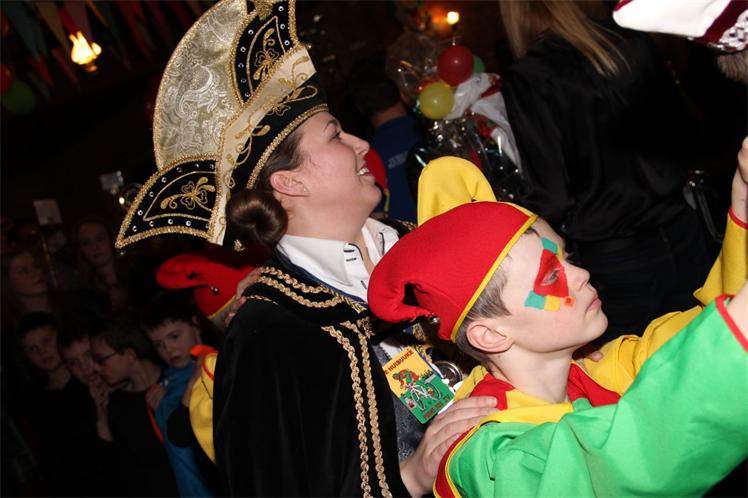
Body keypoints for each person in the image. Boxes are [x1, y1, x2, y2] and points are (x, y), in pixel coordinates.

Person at [114, 0, 496, 495]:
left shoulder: (425, 243)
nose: (361, 145)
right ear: (290, 182)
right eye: (336, 135)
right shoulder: (268, 334)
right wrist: (410, 477)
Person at [367, 152, 748, 496]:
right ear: (492, 334)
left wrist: (743, 205)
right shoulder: (489, 453)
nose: (581, 274)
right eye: (551, 276)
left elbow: (711, 325)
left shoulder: (599, 369)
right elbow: (614, 466)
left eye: (568, 258)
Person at [499, 0, 717, 343]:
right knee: (708, 343)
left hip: (617, 257)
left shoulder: (531, 75)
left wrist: (507, 223)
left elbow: (552, 195)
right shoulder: (631, 39)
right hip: (684, 230)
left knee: (635, 365)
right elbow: (688, 133)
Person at [17, 313, 113, 496]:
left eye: (46, 341)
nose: (42, 352)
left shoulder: (92, 381)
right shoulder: (35, 401)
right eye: (32, 349)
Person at [141, 291, 220, 497]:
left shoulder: (213, 368)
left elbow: (183, 434)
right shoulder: (167, 379)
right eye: (158, 344)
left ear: (196, 325)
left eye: (175, 337)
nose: (168, 349)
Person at [90, 313, 179, 497]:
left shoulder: (176, 382)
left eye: (101, 360)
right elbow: (121, 470)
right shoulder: (117, 405)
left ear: (130, 355)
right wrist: (102, 420)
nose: (96, 368)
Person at [349, 55, 424, 222]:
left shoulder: (364, 159)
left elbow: (377, 220)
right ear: (402, 91)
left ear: (360, 107)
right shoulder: (435, 129)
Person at [73, 217, 131, 312]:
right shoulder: (84, 292)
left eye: (99, 239)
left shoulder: (137, 272)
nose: (94, 247)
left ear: (112, 240)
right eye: (86, 243)